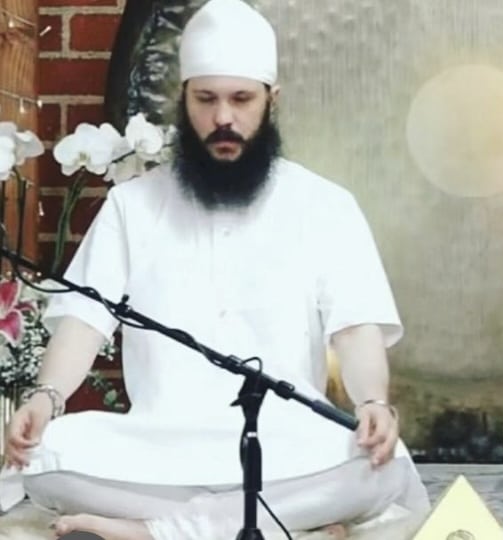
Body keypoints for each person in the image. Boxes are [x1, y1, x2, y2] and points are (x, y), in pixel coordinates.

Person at [0, 0, 430, 538]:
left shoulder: (326, 205)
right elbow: (85, 322)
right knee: (48, 454)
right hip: (160, 450)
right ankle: (281, 525)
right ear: (183, 99)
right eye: (206, 99)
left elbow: (355, 328)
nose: (223, 118)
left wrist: (373, 404)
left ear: (272, 101)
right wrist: (45, 399)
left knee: (381, 462)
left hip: (284, 447)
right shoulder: (132, 206)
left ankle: (156, 531)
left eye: (241, 99)